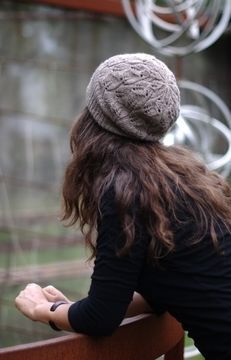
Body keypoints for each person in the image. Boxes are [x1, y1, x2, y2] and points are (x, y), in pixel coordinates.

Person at [15, 53, 231, 360]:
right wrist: (68, 310)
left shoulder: (126, 192)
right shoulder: (183, 180)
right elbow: (176, 286)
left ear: (93, 119)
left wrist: (42, 310)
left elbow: (101, 319)